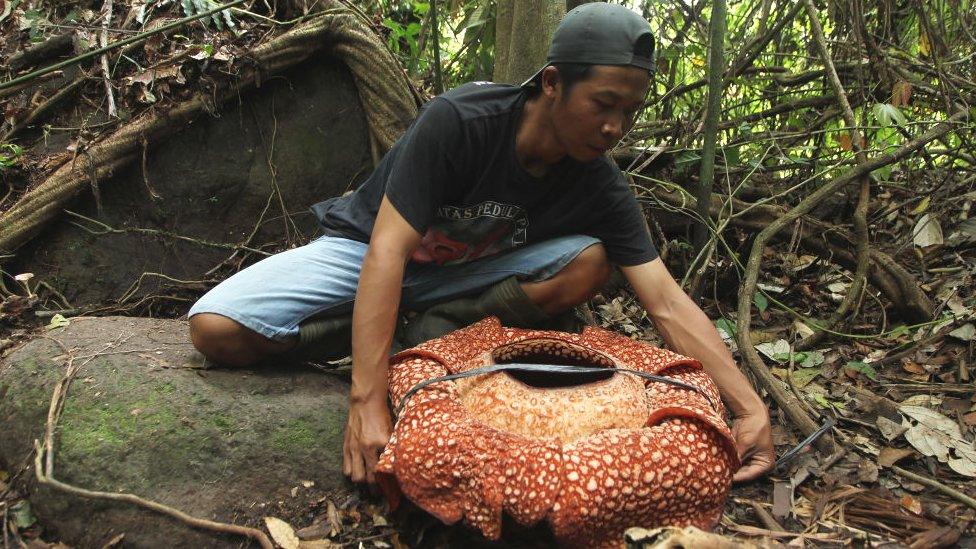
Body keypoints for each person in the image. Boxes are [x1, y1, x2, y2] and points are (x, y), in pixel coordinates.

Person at [188, 4, 774, 486]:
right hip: (367, 252)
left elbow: (665, 301)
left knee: (591, 260)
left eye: (629, 111)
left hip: (465, 278)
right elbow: (387, 253)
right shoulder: (462, 121)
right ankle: (393, 337)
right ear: (552, 82)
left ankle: (434, 330)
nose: (614, 127)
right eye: (603, 104)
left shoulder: (599, 181)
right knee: (216, 330)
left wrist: (748, 408)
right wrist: (366, 400)